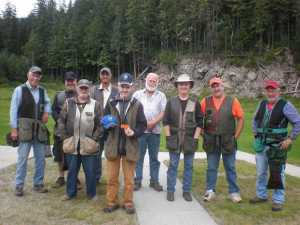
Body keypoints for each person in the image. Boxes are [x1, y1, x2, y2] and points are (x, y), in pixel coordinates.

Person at [250, 80, 300, 211]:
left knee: (278, 173)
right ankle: (261, 195)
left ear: (278, 91)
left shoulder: (285, 105)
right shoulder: (262, 103)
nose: (270, 93)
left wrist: (290, 139)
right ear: (266, 91)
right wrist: (256, 135)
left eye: (273, 90)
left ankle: (278, 200)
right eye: (268, 90)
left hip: (278, 146)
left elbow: (298, 122)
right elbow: (254, 121)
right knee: (261, 172)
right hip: (261, 145)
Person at [103, 73, 147, 214]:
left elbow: (143, 125)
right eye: (122, 86)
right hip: (113, 147)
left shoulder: (137, 105)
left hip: (130, 147)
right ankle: (112, 202)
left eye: (127, 87)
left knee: (129, 180)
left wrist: (134, 132)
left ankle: (128, 202)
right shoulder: (111, 103)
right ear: (118, 86)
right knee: (111, 178)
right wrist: (107, 125)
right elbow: (103, 120)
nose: (124, 89)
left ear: (132, 87)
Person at [200, 77, 244, 203]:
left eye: (218, 85)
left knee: (230, 166)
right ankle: (210, 191)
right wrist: (204, 134)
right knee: (211, 167)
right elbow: (198, 118)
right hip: (211, 140)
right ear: (211, 88)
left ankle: (234, 192)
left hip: (228, 140)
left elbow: (241, 118)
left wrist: (235, 136)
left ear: (222, 86)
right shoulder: (205, 101)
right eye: (213, 86)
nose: (216, 88)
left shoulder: (232, 101)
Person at [57, 79, 102, 200]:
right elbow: (61, 120)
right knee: (72, 171)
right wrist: (65, 137)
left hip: (89, 145)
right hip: (72, 143)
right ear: (77, 89)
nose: (83, 90)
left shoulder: (95, 104)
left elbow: (100, 125)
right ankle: (70, 193)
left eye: (85, 88)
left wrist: (94, 139)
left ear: (89, 90)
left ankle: (91, 194)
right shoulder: (68, 103)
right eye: (81, 88)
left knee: (91, 172)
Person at [10, 66, 51, 196]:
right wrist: (14, 129)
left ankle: (38, 184)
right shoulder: (19, 90)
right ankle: (19, 185)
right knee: (22, 159)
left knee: (40, 159)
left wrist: (46, 112)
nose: (35, 78)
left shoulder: (43, 91)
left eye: (38, 76)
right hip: (24, 129)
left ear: (40, 77)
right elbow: (13, 110)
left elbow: (48, 103)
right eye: (33, 75)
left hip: (38, 130)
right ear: (28, 75)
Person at [163, 74, 203, 202]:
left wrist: (196, 139)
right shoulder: (171, 102)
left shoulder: (195, 102)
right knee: (173, 165)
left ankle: (186, 191)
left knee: (189, 166)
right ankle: (170, 190)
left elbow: (200, 123)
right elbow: (166, 122)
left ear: (190, 86)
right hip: (174, 139)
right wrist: (169, 138)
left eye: (186, 84)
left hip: (190, 140)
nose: (184, 86)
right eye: (181, 84)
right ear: (177, 87)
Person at [133, 73, 167, 191]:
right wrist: (143, 124)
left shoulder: (161, 95)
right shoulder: (137, 94)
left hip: (155, 132)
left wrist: (152, 123)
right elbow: (133, 111)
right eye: (150, 80)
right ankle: (137, 181)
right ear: (145, 80)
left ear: (157, 82)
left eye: (154, 81)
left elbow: (163, 112)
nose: (152, 82)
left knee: (154, 158)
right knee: (139, 157)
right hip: (140, 132)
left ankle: (154, 181)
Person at [90, 67, 118, 184]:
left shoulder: (117, 91)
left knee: (112, 154)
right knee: (96, 154)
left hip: (112, 129)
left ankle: (112, 179)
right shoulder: (93, 90)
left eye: (107, 74)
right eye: (103, 74)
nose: (105, 76)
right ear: (100, 76)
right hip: (97, 128)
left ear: (110, 76)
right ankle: (96, 178)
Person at [52, 71, 77, 188]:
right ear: (65, 82)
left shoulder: (80, 94)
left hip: (75, 131)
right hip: (60, 130)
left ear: (75, 81)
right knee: (59, 154)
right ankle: (61, 176)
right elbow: (54, 111)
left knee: (74, 155)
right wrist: (60, 120)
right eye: (68, 81)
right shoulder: (58, 95)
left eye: (72, 80)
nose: (70, 83)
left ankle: (74, 177)